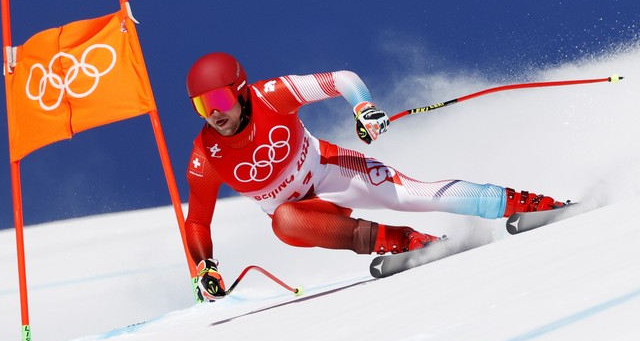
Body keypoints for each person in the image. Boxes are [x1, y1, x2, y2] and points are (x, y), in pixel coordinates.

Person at [183, 52, 565, 301]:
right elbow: (197, 219)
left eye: (218, 100)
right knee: (283, 221)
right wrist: (205, 267)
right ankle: (407, 242)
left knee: (414, 196)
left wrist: (363, 107)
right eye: (202, 106)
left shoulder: (271, 95)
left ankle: (531, 204)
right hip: (308, 214)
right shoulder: (206, 155)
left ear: (241, 92)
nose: (213, 114)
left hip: (333, 172)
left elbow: (342, 79)